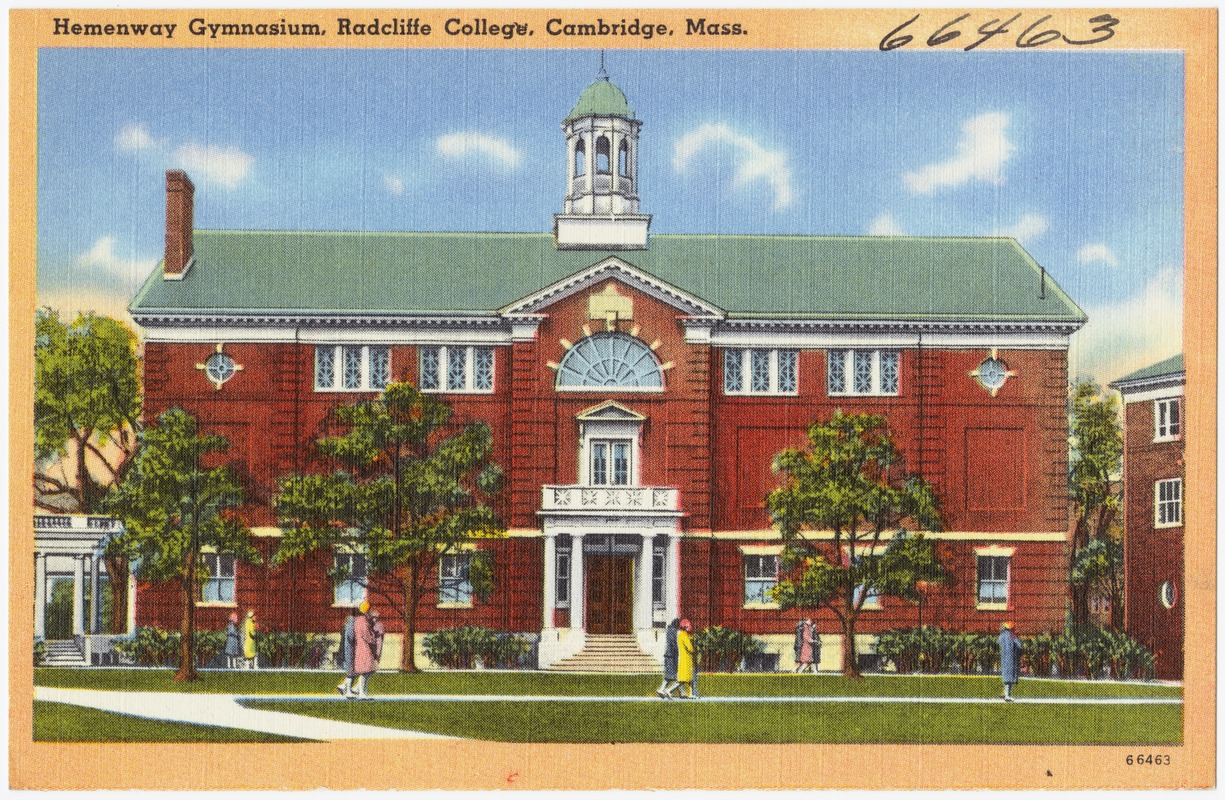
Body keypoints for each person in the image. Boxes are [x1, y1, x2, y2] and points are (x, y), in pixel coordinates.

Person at [352, 601, 381, 699]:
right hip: (365, 648)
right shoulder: (363, 621)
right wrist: (374, 638)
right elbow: (367, 636)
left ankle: (358, 689)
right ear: (366, 611)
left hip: (362, 647)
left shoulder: (359, 620)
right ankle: (361, 693)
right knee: (366, 670)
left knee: (369, 669)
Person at [336, 606, 359, 697]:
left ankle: (343, 687)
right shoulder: (352, 623)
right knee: (353, 671)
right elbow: (351, 639)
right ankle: (348, 690)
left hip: (347, 650)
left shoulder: (349, 623)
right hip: (349, 651)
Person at [999, 621, 1023, 701]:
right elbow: (1020, 645)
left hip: (1004, 658)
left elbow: (998, 643)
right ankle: (1007, 695)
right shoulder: (1012, 636)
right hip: (1012, 658)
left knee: (1006, 676)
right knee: (1011, 677)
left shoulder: (1001, 636)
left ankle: (1004, 693)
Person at [656, 618, 680, 699]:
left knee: (670, 675)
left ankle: (662, 690)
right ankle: (667, 690)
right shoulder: (673, 631)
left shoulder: (669, 630)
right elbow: (674, 644)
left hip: (669, 655)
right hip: (671, 656)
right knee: (675, 675)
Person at [676, 618, 698, 699]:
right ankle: (669, 690)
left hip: (684, 658)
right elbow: (690, 648)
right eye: (689, 625)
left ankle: (687, 693)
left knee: (687, 678)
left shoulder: (681, 634)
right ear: (685, 626)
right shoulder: (684, 635)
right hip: (687, 659)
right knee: (686, 678)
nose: (690, 627)